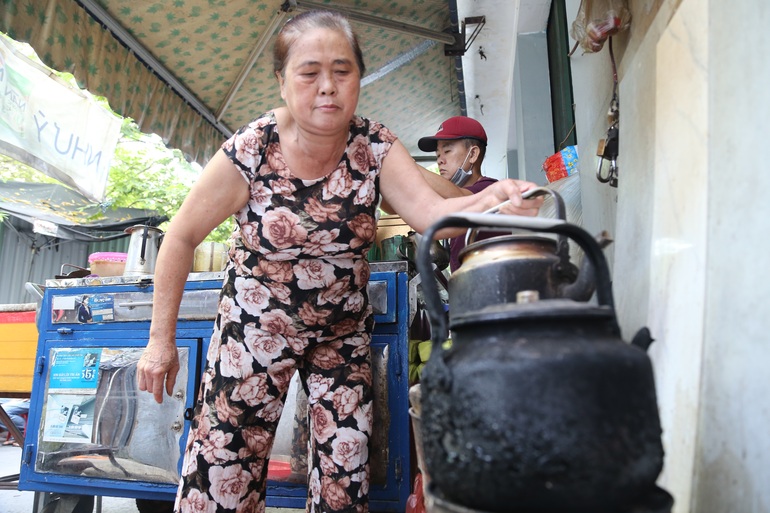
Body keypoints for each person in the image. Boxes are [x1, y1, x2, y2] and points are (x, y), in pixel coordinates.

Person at [136, 10, 543, 513]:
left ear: (358, 78)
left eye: (342, 70)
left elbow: (433, 214)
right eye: (309, 73)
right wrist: (160, 342)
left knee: (344, 481)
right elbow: (180, 236)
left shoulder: (373, 145)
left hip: (341, 333)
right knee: (225, 470)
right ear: (283, 82)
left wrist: (497, 197)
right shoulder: (251, 149)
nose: (327, 86)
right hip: (254, 330)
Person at [417, 115, 500, 272]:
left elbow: (463, 199)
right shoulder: (452, 202)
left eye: (447, 151)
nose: (440, 160)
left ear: (473, 154)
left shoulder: (488, 189)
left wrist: (406, 166)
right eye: (437, 155)